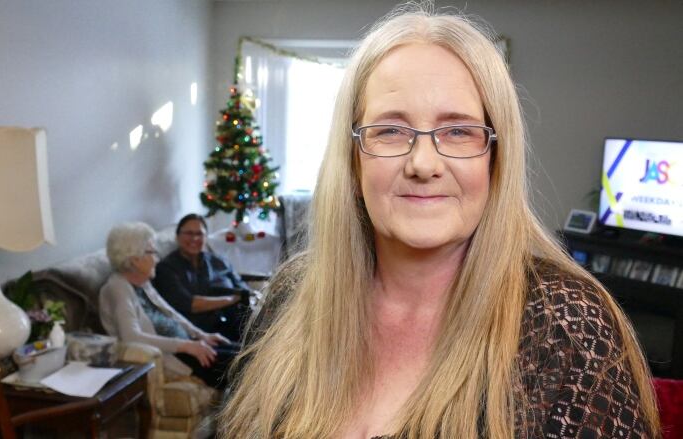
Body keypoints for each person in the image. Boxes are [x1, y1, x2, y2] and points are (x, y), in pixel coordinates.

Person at [219, 4, 660, 439]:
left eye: (458, 131)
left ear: (495, 160)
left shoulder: (567, 324)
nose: (423, 163)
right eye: (391, 130)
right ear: (353, 163)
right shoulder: (292, 296)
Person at [98, 221, 239, 389]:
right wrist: (186, 346)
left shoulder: (143, 282)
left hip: (187, 346)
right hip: (175, 357)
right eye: (152, 252)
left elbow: (172, 314)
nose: (157, 259)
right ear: (135, 259)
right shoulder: (117, 288)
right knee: (247, 364)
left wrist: (202, 335)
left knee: (245, 352)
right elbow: (131, 337)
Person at [152, 213, 252, 341]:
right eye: (189, 233)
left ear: (206, 237)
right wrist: (231, 299)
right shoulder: (166, 268)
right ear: (177, 237)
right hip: (198, 332)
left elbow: (242, 288)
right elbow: (191, 304)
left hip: (236, 323)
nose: (194, 238)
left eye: (199, 234)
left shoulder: (219, 261)